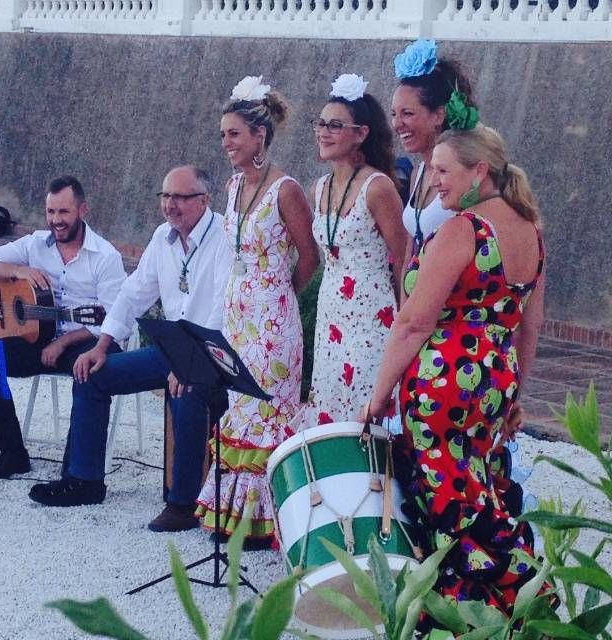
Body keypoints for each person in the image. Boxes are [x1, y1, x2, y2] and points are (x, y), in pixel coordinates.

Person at [361, 124, 546, 618]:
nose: (435, 180)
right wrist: (514, 395)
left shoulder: (463, 229)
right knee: (479, 485)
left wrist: (378, 395)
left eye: (444, 170)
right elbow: (531, 327)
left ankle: (461, 614)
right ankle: (512, 603)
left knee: (446, 498)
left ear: (479, 170)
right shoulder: (530, 227)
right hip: (494, 380)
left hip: (443, 382)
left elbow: (414, 322)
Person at [29, 166, 231, 534]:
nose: (170, 205)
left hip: (213, 350)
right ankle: (85, 481)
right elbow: (134, 292)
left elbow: (222, 309)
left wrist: (188, 363)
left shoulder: (224, 237)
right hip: (174, 348)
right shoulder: (162, 237)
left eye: (180, 198)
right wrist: (103, 345)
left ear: (204, 200)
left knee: (187, 391)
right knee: (92, 375)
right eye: (165, 196)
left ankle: (184, 503)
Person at [194, 76, 319, 547]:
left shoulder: (285, 189)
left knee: (265, 408)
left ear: (259, 136)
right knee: (238, 404)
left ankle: (266, 516)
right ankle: (231, 513)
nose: (226, 142)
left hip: (272, 318)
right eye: (223, 134)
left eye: (234, 134)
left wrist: (281, 294)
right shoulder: (232, 186)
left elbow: (309, 254)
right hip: (238, 311)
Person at [0, 176, 127, 479]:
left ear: (83, 210)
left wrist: (63, 343)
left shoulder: (106, 257)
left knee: (87, 369)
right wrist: (17, 269)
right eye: (51, 212)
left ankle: (76, 466)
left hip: (87, 337)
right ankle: (11, 454)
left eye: (63, 212)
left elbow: (114, 319)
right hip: (38, 335)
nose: (56, 220)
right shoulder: (35, 244)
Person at [302, 74, 406, 426]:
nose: (323, 132)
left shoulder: (377, 187)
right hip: (331, 311)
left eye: (335, 125)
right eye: (320, 124)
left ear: (361, 133)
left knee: (364, 402)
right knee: (330, 399)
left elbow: (403, 256)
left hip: (371, 313)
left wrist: (406, 317)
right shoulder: (319, 188)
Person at [391, 39, 478, 285]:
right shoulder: (418, 172)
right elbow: (409, 253)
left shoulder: (466, 174)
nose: (397, 124)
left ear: (438, 115)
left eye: (407, 113)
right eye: (394, 114)